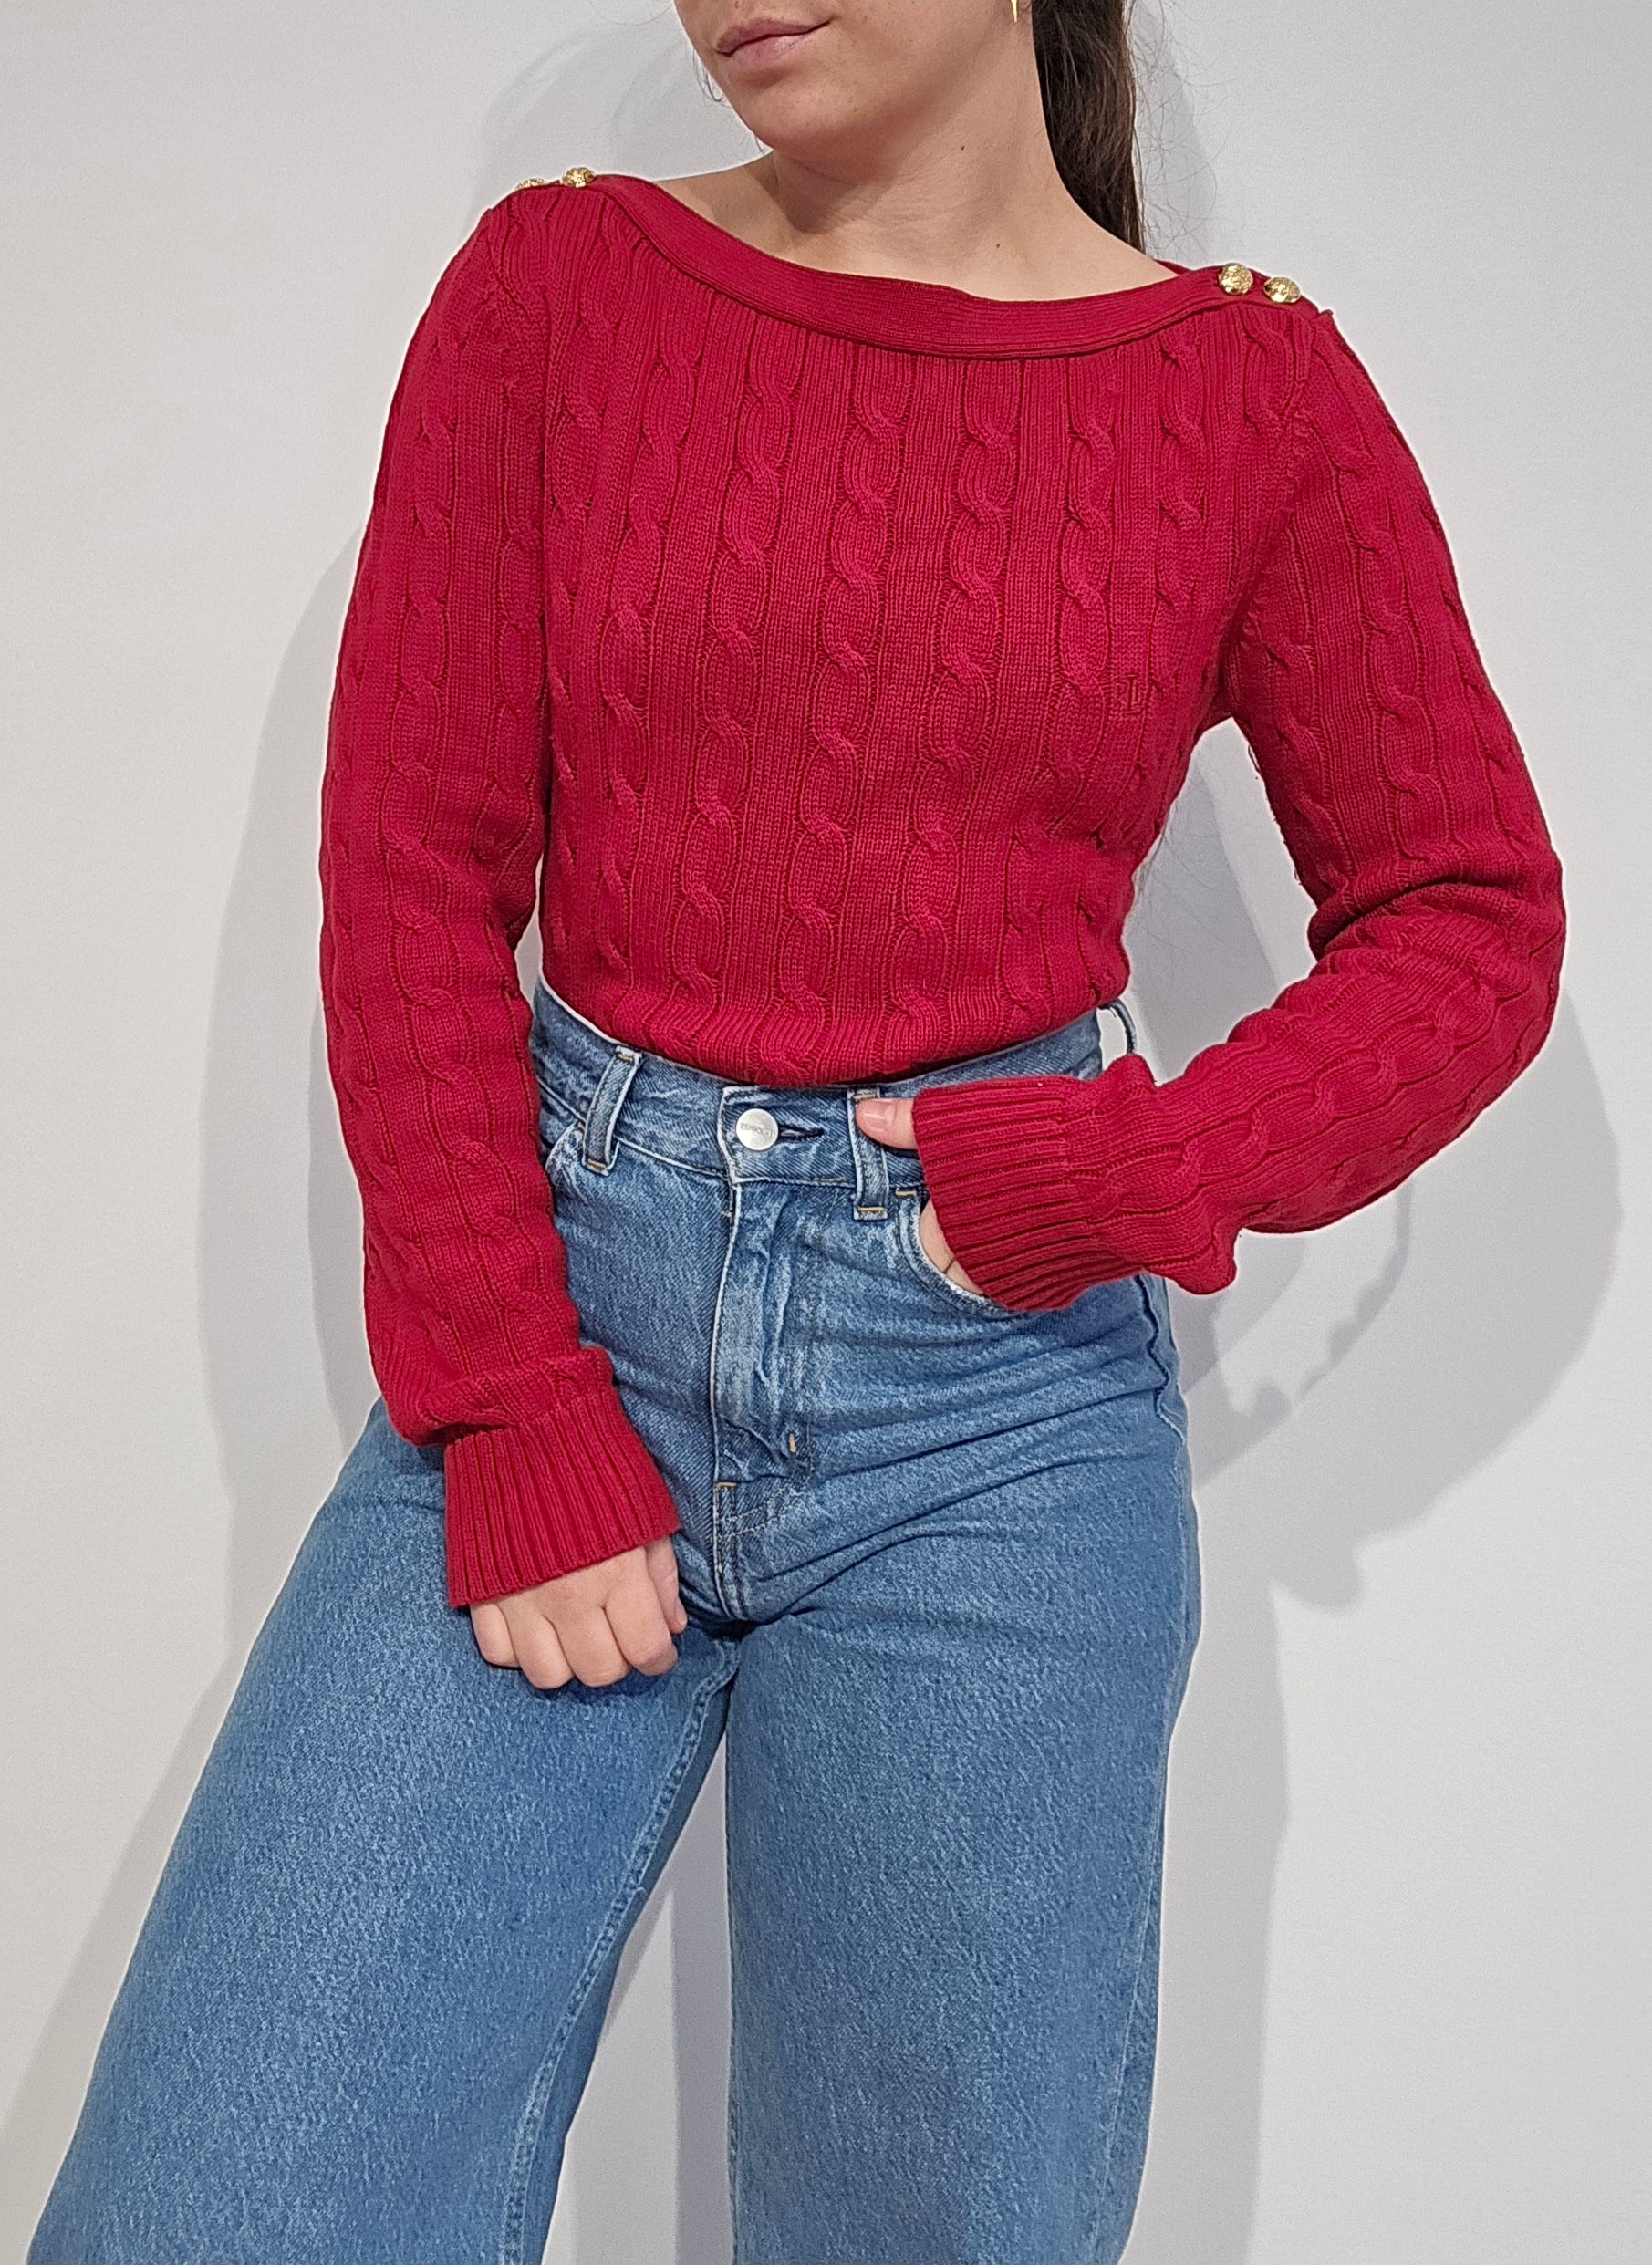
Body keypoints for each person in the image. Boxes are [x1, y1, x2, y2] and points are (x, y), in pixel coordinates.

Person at [28, 3, 1565, 2260]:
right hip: (564, 1328)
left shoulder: (1253, 392)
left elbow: (1466, 915)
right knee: (220, 2207)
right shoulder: (560, 288)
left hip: (998, 1427)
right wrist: (510, 1397)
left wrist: (1125, 1177)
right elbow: (416, 869)